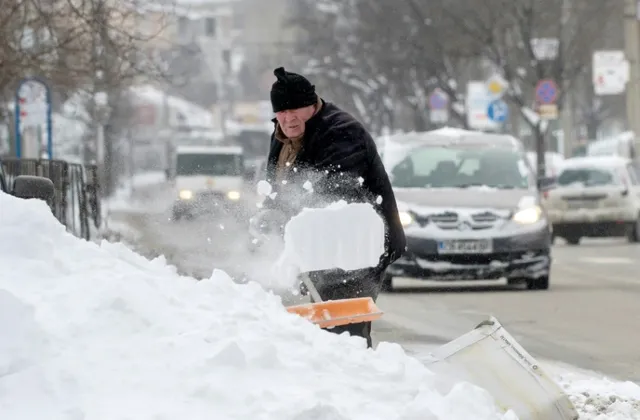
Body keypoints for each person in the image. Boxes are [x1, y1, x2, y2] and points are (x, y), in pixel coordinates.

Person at [254, 67, 406, 348]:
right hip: (319, 251)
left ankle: (361, 382)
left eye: (296, 109)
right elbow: (277, 189)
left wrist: (287, 219)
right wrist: (268, 214)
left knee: (346, 336)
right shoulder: (281, 137)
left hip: (355, 251)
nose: (289, 117)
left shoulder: (341, 133)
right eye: (282, 112)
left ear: (313, 104)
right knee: (327, 330)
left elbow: (334, 196)